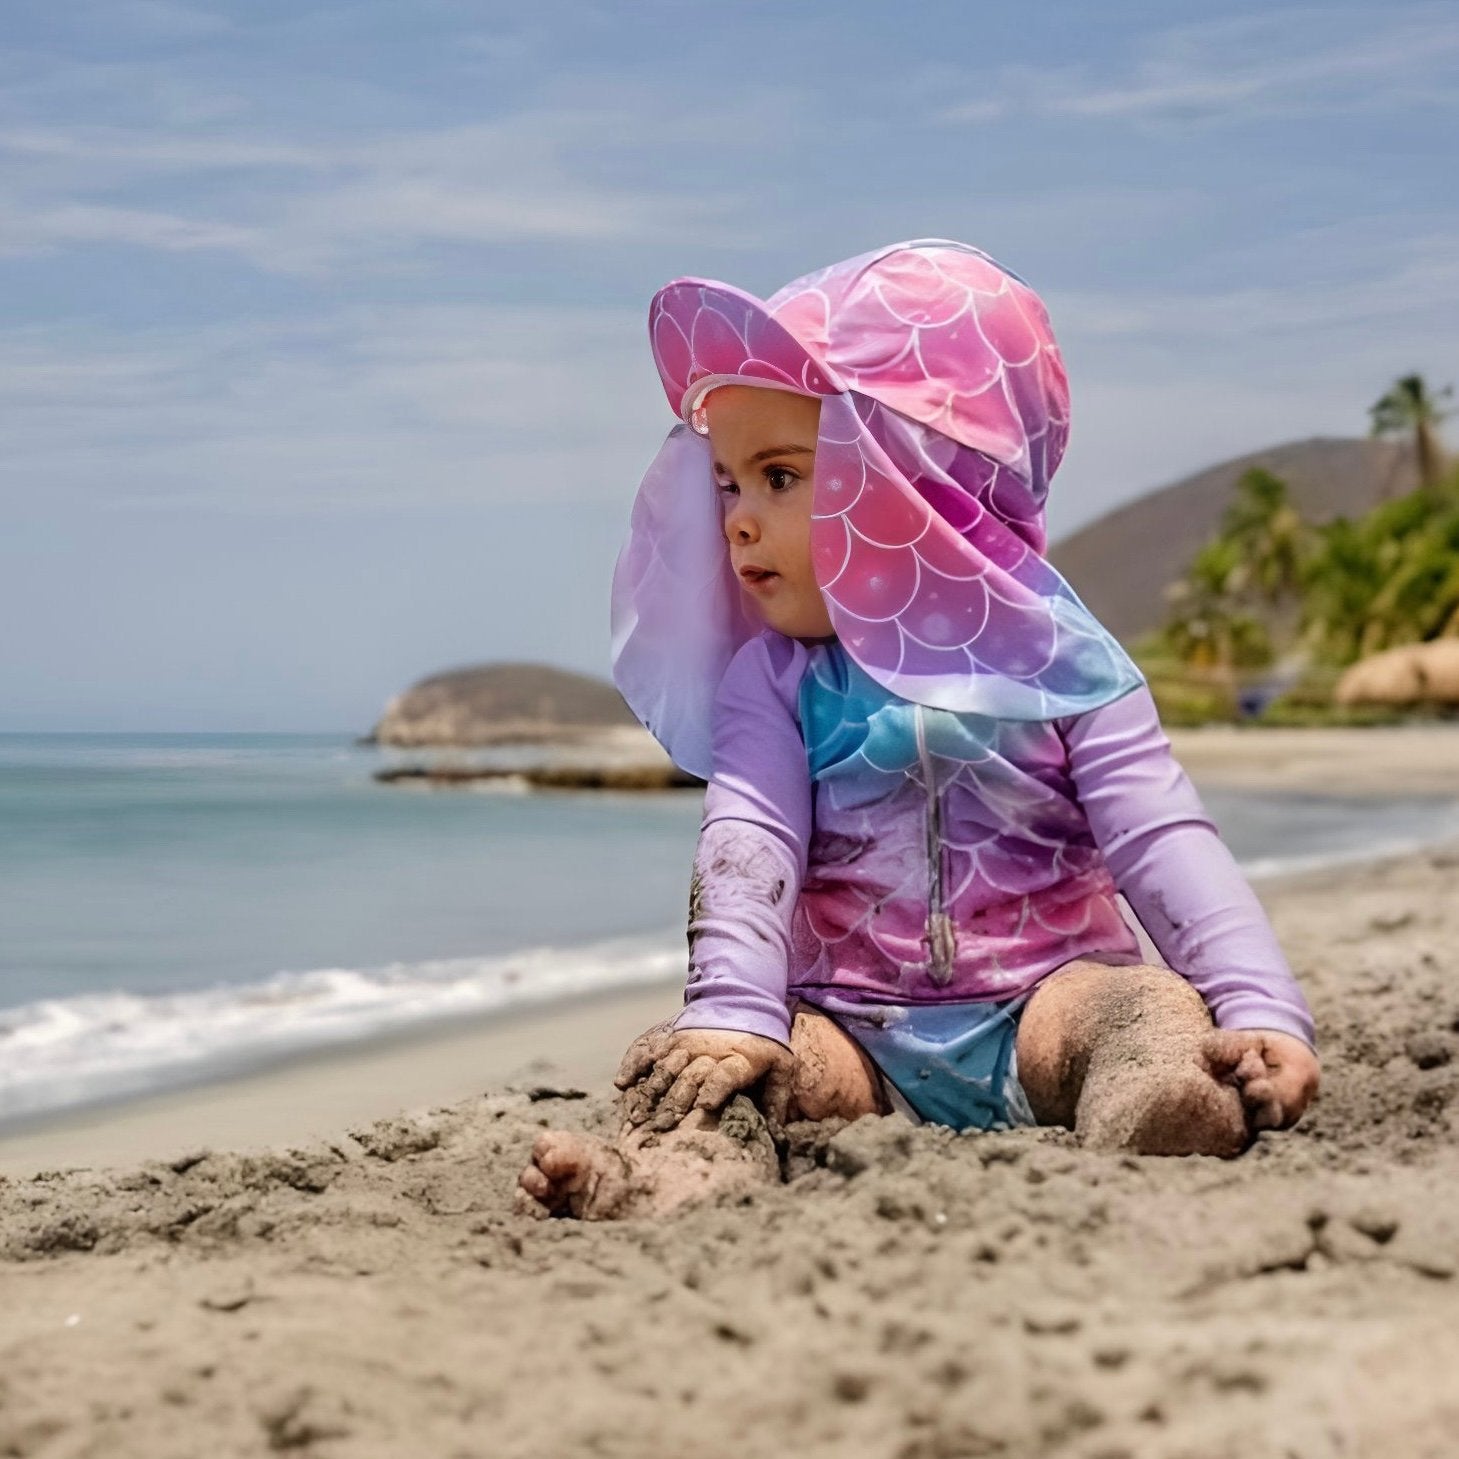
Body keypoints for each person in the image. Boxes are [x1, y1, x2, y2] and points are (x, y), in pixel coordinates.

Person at [517, 239, 1319, 1220]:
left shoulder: (1065, 663)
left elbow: (1159, 840)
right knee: (709, 1068)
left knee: (1147, 1013)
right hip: (851, 1030)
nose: (735, 519)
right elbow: (747, 840)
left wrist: (1258, 1007)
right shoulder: (775, 678)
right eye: (728, 482)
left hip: (1047, 1002)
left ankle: (1158, 1109)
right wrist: (732, 1010)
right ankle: (669, 1177)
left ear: (920, 476)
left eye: (779, 476)